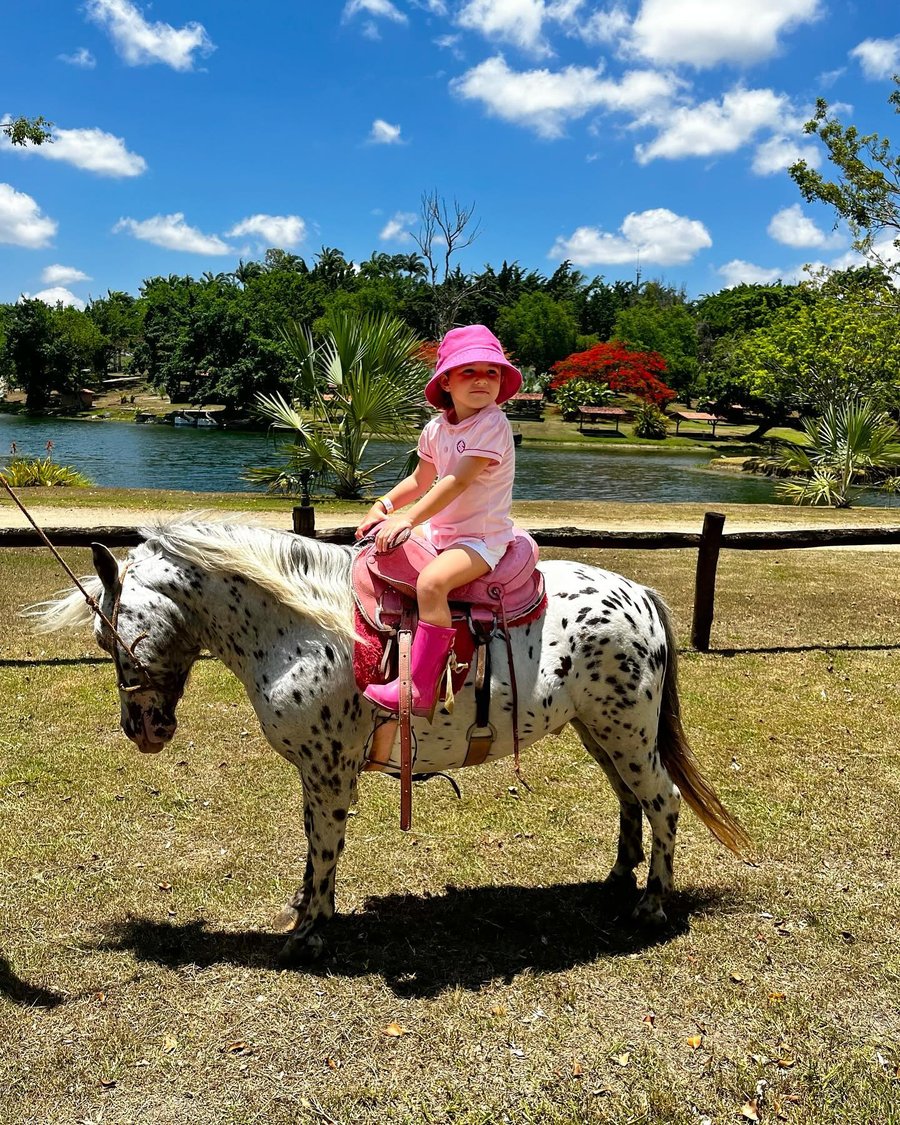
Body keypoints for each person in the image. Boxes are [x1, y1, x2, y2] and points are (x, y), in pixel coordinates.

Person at [355, 324, 522, 719]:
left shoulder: (492, 424)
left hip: (480, 539)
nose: (482, 379)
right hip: (442, 532)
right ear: (446, 380)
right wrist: (383, 504)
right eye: (469, 371)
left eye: (491, 371)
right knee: (374, 559)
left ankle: (421, 686)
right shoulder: (436, 428)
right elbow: (420, 479)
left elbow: (457, 480)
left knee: (432, 583)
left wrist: (408, 519)